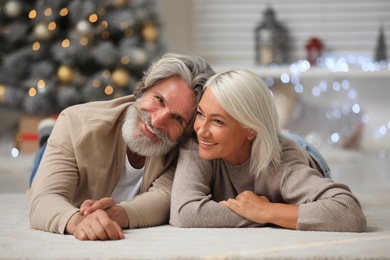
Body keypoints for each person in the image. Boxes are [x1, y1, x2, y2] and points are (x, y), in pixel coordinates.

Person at [27, 53, 215, 240]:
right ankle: (47, 140)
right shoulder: (76, 123)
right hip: (69, 142)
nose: (157, 121)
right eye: (159, 100)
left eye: (177, 118)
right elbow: (44, 199)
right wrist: (77, 221)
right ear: (144, 90)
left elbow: (165, 197)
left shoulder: (185, 147)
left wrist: (118, 214)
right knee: (38, 178)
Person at [170, 69, 367, 232]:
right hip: (267, 136)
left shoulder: (281, 166)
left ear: (251, 129)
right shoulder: (196, 143)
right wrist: (259, 215)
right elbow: (185, 213)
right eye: (201, 114)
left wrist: (267, 211)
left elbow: (348, 212)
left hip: (293, 149)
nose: (202, 130)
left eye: (218, 121)